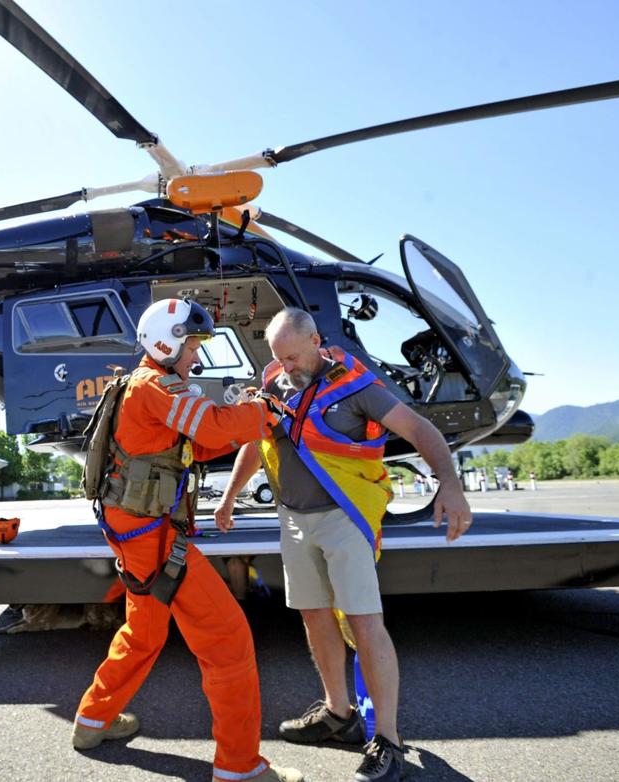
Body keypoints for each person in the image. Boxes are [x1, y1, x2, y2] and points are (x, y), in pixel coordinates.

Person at [214, 307, 473, 782]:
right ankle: (339, 714)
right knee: (313, 615)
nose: (285, 365)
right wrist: (230, 497)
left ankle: (388, 740)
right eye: (279, 358)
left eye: (291, 356)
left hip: (343, 519)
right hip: (293, 520)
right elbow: (255, 441)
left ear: (315, 340)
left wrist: (450, 487)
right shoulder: (275, 385)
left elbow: (420, 430)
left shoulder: (357, 388)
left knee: (364, 622)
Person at [74, 298, 302, 782]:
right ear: (168, 342)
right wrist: (262, 411)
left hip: (133, 535)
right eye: (193, 345)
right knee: (228, 642)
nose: (196, 356)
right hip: (153, 540)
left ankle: (93, 719)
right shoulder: (156, 386)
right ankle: (240, 768)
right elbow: (215, 426)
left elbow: (197, 444)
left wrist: (246, 422)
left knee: (144, 633)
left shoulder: (142, 387)